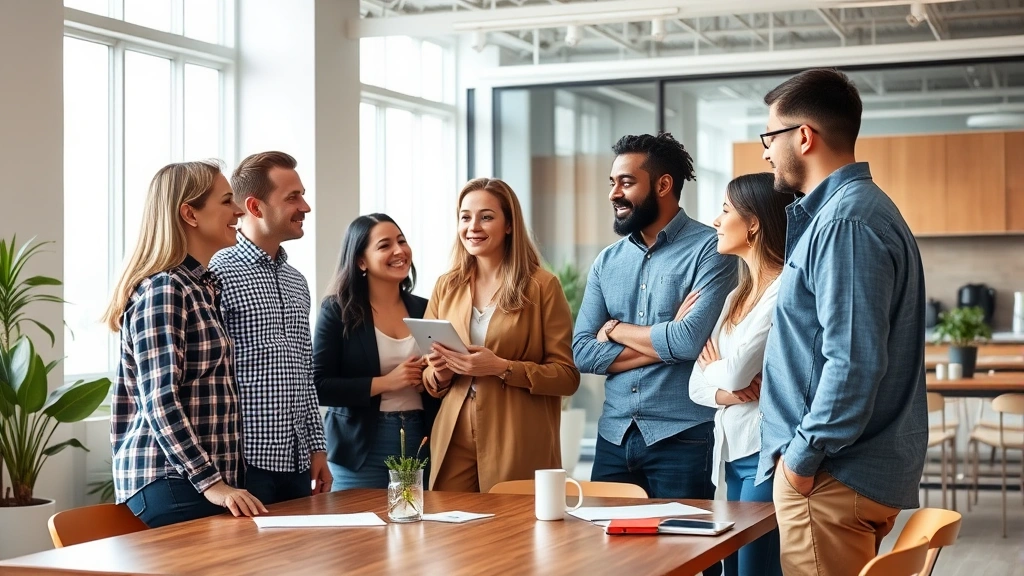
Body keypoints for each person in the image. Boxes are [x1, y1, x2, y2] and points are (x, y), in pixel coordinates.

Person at [755, 68, 928, 576]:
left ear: (803, 137)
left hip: (830, 479)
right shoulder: (857, 212)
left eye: (770, 137)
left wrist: (802, 461)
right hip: (843, 475)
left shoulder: (845, 223)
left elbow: (853, 363)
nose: (765, 151)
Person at [572, 133, 737, 504]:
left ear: (663, 185)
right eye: (612, 183)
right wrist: (668, 342)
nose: (614, 193)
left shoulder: (713, 250)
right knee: (608, 556)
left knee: (687, 553)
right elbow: (582, 353)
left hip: (683, 437)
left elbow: (689, 341)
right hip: (613, 437)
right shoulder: (606, 262)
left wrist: (615, 330)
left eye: (626, 182)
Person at [104, 160, 266, 528]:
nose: (239, 211)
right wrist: (213, 484)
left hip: (196, 481)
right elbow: (160, 401)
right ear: (189, 213)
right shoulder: (165, 289)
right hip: (172, 483)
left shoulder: (201, 287)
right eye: (227, 201)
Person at [423, 177, 580, 493]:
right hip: (453, 435)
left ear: (509, 224)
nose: (473, 227)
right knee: (449, 535)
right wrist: (438, 374)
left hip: (516, 435)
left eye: (486, 216)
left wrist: (502, 368)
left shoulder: (542, 286)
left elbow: (567, 377)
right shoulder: (446, 286)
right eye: (465, 217)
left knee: (513, 533)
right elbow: (428, 375)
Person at [209, 151, 330, 505]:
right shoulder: (217, 272)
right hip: (242, 463)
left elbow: (304, 371)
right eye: (293, 197)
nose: (305, 207)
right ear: (255, 207)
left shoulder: (297, 281)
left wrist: (317, 448)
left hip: (295, 462)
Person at [688, 173, 792, 576]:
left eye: (726, 210)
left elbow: (730, 373)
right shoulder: (736, 295)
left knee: (752, 571)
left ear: (753, 223)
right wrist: (726, 389)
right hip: (730, 453)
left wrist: (717, 371)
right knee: (731, 570)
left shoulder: (783, 288)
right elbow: (697, 386)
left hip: (765, 455)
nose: (716, 220)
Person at [312, 213, 441, 490]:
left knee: (417, 529)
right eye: (384, 245)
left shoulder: (426, 308)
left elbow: (445, 372)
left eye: (402, 241)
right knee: (357, 530)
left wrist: (431, 378)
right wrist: (388, 382)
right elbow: (320, 385)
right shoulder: (337, 311)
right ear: (361, 260)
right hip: (360, 446)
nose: (399, 251)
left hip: (422, 437)